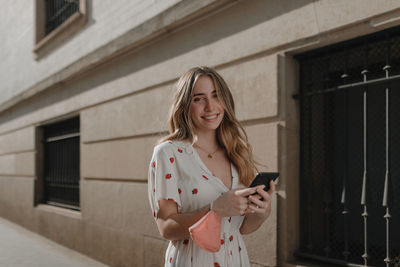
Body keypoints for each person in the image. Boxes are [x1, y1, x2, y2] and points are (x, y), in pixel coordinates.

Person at [147, 66, 276, 267]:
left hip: (236, 260)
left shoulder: (236, 152)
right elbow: (166, 227)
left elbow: (241, 228)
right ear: (185, 106)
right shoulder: (168, 153)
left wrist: (261, 212)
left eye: (216, 96)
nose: (210, 106)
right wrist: (214, 210)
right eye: (199, 98)